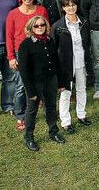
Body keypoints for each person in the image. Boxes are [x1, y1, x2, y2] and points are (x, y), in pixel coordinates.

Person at [16, 15, 65, 151]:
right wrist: (30, 91)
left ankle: (53, 132)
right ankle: (29, 138)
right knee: (32, 110)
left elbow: (56, 63)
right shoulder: (25, 45)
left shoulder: (49, 41)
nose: (39, 28)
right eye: (36, 26)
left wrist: (60, 82)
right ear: (31, 27)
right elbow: (24, 71)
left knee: (51, 107)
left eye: (42, 25)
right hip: (35, 83)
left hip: (50, 80)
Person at [6, 0, 50, 131]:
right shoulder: (13, 14)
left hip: (38, 51)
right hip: (21, 52)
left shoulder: (41, 10)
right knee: (21, 84)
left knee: (41, 81)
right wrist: (11, 57)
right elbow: (9, 36)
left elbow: (46, 30)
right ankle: (20, 115)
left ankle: (44, 108)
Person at [53, 0, 92, 134]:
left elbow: (87, 43)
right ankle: (66, 121)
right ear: (63, 8)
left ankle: (81, 114)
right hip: (66, 64)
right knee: (66, 92)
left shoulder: (84, 22)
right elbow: (54, 48)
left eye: (73, 5)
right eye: (67, 5)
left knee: (81, 89)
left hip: (81, 61)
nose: (71, 7)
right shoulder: (58, 26)